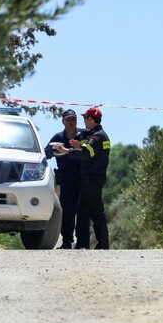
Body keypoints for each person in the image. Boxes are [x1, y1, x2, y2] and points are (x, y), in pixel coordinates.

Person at [53, 106, 110, 249]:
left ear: (91, 119)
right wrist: (80, 145)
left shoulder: (97, 136)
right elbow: (88, 149)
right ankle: (82, 244)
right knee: (82, 212)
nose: (83, 121)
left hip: (92, 180)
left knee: (96, 213)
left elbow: (85, 154)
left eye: (85, 118)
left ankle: (103, 244)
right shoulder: (95, 135)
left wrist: (67, 150)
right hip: (88, 180)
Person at [44, 109, 86, 249]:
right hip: (67, 179)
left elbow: (93, 151)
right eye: (68, 119)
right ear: (63, 121)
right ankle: (67, 241)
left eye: (73, 119)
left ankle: (82, 242)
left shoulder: (84, 135)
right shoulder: (58, 137)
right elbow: (45, 154)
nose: (71, 122)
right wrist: (52, 149)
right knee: (67, 210)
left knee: (83, 211)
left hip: (83, 178)